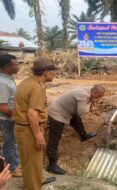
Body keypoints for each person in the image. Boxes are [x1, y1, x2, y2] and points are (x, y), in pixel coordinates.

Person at [12, 57, 57, 190]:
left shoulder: (27, 82)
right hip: (29, 130)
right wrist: (38, 135)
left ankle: (31, 185)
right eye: (53, 71)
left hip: (23, 128)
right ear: (45, 72)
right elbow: (32, 114)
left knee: (28, 163)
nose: (55, 74)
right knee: (33, 164)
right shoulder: (37, 88)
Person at [46, 84, 105, 175]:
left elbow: (78, 113)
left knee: (77, 120)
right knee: (55, 138)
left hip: (66, 110)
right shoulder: (83, 96)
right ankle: (52, 164)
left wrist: (91, 100)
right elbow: (83, 112)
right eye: (99, 96)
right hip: (57, 114)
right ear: (94, 92)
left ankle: (83, 136)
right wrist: (91, 101)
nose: (99, 99)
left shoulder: (89, 90)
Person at [0, 54, 22, 177]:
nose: (19, 66)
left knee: (12, 142)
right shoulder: (2, 83)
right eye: (16, 64)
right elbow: (2, 106)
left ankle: (13, 163)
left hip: (11, 116)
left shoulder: (8, 78)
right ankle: (11, 169)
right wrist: (17, 116)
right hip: (6, 118)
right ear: (7, 67)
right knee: (9, 143)